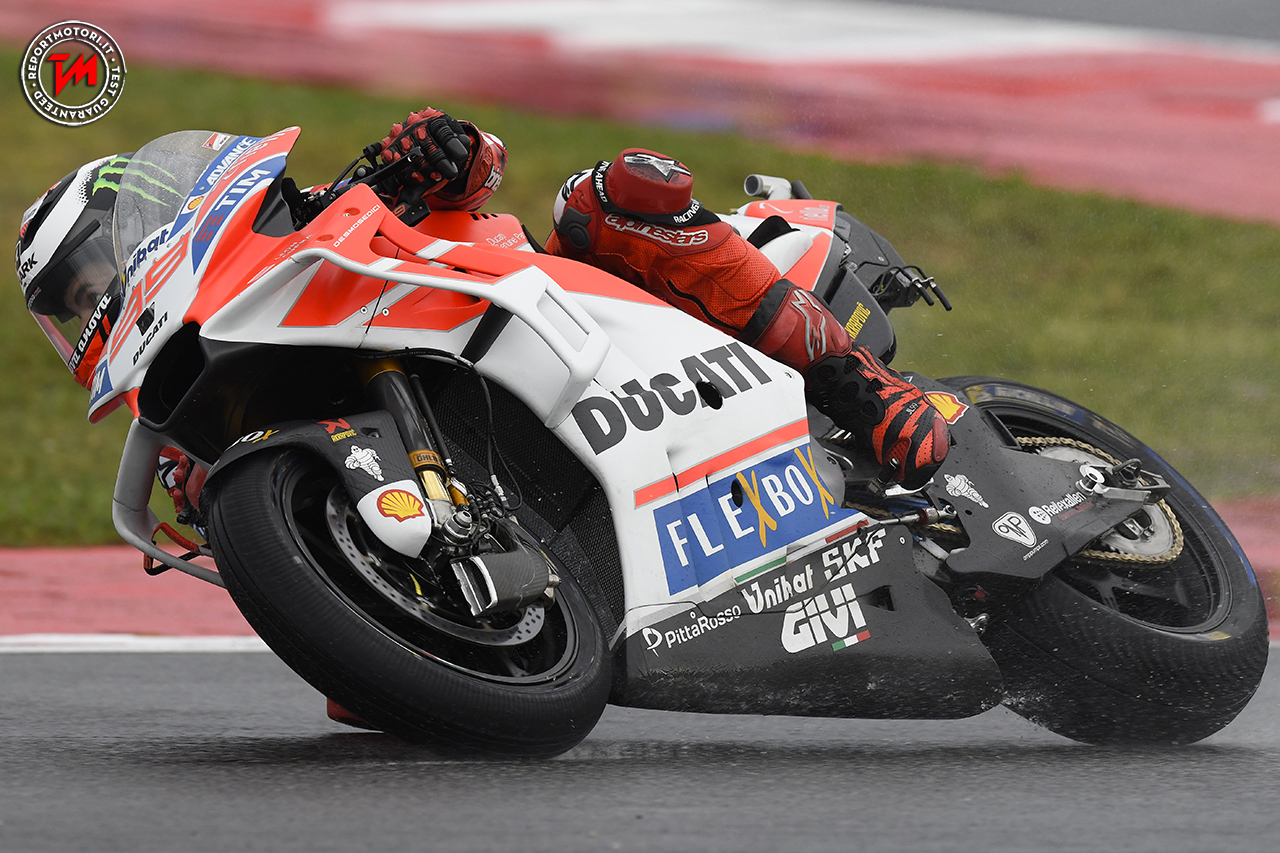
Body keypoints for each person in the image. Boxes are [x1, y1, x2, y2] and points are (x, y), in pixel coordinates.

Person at [16, 109, 947, 504]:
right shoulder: (202, 405)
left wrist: (444, 148)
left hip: (586, 317)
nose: (95, 303)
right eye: (74, 304)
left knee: (607, 195)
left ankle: (862, 387)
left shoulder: (318, 213)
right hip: (523, 469)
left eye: (92, 275)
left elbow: (483, 166)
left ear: (148, 215)